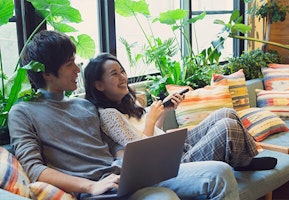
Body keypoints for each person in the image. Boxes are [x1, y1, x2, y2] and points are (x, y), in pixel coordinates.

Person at [8, 30, 240, 200]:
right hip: (97, 190)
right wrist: (89, 187)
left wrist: (132, 163)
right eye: (70, 64)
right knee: (163, 198)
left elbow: (112, 146)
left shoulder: (85, 106)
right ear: (47, 73)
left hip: (125, 177)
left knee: (220, 172)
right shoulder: (23, 112)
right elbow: (35, 169)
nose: (78, 69)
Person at [84, 53, 263, 168]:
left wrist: (165, 111)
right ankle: (243, 160)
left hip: (174, 147)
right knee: (227, 126)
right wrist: (150, 120)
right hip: (168, 164)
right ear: (99, 85)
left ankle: (243, 159)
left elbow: (155, 132)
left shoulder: (128, 101)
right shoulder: (108, 115)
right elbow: (140, 153)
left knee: (227, 113)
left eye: (122, 71)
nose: (122, 77)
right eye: (114, 74)